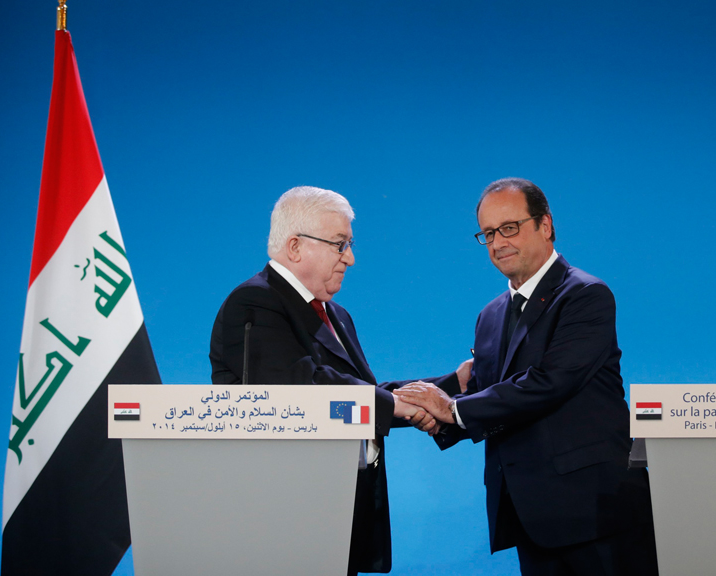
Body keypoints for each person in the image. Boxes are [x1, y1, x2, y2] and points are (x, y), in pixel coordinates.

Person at [395, 178, 658, 575]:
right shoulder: (490, 315)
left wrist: (450, 409)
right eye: (487, 234)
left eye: (509, 228)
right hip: (530, 515)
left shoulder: (585, 295)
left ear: (545, 225)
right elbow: (485, 390)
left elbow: (550, 382)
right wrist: (402, 403)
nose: (498, 242)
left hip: (597, 513)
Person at [209, 186, 461, 575]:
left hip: (341, 506)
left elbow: (352, 391)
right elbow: (300, 388)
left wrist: (450, 386)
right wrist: (401, 405)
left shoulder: (335, 314)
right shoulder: (255, 302)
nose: (351, 258)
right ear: (295, 246)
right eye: (340, 245)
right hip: (287, 515)